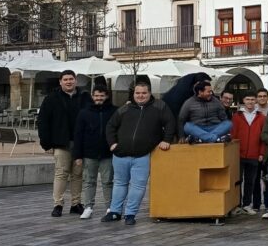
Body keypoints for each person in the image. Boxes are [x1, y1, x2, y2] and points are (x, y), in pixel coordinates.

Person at [102, 81, 176, 225]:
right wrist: (112, 144)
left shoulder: (160, 106)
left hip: (143, 155)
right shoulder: (125, 108)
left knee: (138, 186)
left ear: (149, 93)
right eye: (137, 93)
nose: (140, 96)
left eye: (144, 93)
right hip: (120, 154)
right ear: (133, 94)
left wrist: (166, 139)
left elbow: (170, 123)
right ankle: (114, 212)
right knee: (119, 184)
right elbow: (111, 126)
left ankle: (130, 214)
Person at [37, 70, 92, 217]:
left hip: (80, 143)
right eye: (66, 79)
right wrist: (46, 143)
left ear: (76, 81)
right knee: (61, 174)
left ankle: (76, 203)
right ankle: (58, 204)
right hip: (61, 143)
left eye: (71, 79)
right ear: (60, 82)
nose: (69, 82)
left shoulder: (85, 97)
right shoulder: (51, 98)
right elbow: (43, 121)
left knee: (78, 175)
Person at [72, 84, 117, 220]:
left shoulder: (114, 111)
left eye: (101, 96)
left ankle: (110, 207)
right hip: (89, 153)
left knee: (107, 182)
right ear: (92, 96)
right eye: (96, 96)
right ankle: (88, 207)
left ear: (106, 96)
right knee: (89, 181)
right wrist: (78, 155)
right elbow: (78, 135)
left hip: (107, 153)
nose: (99, 98)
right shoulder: (84, 113)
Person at [231, 93, 265, 214]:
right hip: (239, 154)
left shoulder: (261, 117)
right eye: (247, 99)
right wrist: (233, 153)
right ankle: (237, 205)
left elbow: (263, 137)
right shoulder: (237, 116)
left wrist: (261, 153)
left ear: (255, 101)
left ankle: (246, 204)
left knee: (251, 181)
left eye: (252, 99)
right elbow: (233, 135)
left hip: (254, 154)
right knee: (237, 180)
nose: (250, 101)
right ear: (243, 101)